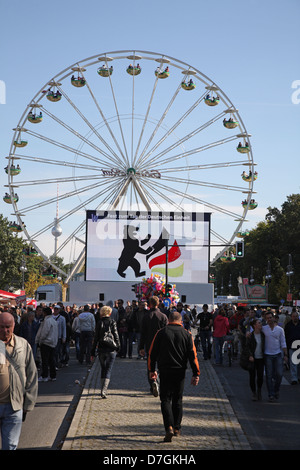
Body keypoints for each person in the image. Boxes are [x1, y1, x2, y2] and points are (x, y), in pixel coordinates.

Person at [148, 311, 200, 442]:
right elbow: (193, 356)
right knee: (178, 399)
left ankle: (169, 427)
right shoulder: (187, 334)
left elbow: (152, 353)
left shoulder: (161, 333)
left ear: (168, 320)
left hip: (165, 370)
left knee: (165, 399)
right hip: (180, 371)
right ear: (180, 321)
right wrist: (196, 373)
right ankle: (177, 428)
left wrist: (151, 370)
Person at [0, 312, 38, 450]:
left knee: (10, 445)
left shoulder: (22, 345)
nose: (5, 330)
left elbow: (32, 374)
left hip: (14, 406)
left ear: (14, 326)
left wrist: (29, 402)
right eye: (2, 327)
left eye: (8, 327)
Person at [139, 296, 168, 396]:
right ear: (158, 303)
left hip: (149, 345)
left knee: (150, 366)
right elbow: (167, 332)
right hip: (161, 345)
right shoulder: (163, 316)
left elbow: (143, 333)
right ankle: (158, 382)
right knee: (161, 366)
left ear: (150, 304)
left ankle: (153, 383)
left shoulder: (146, 316)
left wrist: (141, 347)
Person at [91, 305, 120, 398]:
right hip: (111, 349)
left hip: (101, 349)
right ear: (110, 313)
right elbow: (116, 335)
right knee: (108, 369)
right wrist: (118, 346)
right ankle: (104, 390)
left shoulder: (99, 322)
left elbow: (95, 338)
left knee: (103, 368)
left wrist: (92, 352)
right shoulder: (113, 322)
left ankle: (102, 389)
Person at [263, 311, 288, 402]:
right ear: (266, 319)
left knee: (279, 374)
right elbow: (255, 332)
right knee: (269, 375)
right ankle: (271, 394)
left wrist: (285, 354)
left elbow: (283, 342)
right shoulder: (264, 329)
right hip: (267, 354)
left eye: (270, 317)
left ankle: (276, 389)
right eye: (267, 318)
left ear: (273, 318)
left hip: (278, 354)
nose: (269, 319)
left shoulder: (280, 330)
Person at [241, 318, 265, 401]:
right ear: (254, 326)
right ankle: (254, 392)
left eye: (261, 323)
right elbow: (246, 347)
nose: (261, 324)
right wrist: (250, 355)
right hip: (253, 359)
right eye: (259, 323)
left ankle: (259, 390)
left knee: (260, 376)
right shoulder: (250, 336)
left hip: (261, 358)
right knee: (252, 376)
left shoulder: (263, 335)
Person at [35, 307, 59, 382]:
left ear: (45, 313)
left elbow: (44, 332)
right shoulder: (53, 321)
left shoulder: (47, 321)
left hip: (46, 342)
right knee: (51, 360)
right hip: (52, 342)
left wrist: (40, 340)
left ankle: (44, 375)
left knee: (45, 360)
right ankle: (53, 375)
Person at [284, 309, 300, 384]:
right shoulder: (288, 326)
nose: (295, 318)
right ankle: (294, 378)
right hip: (292, 346)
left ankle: (299, 377)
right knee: (293, 363)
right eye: (293, 316)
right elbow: (285, 336)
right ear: (291, 317)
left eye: (296, 316)